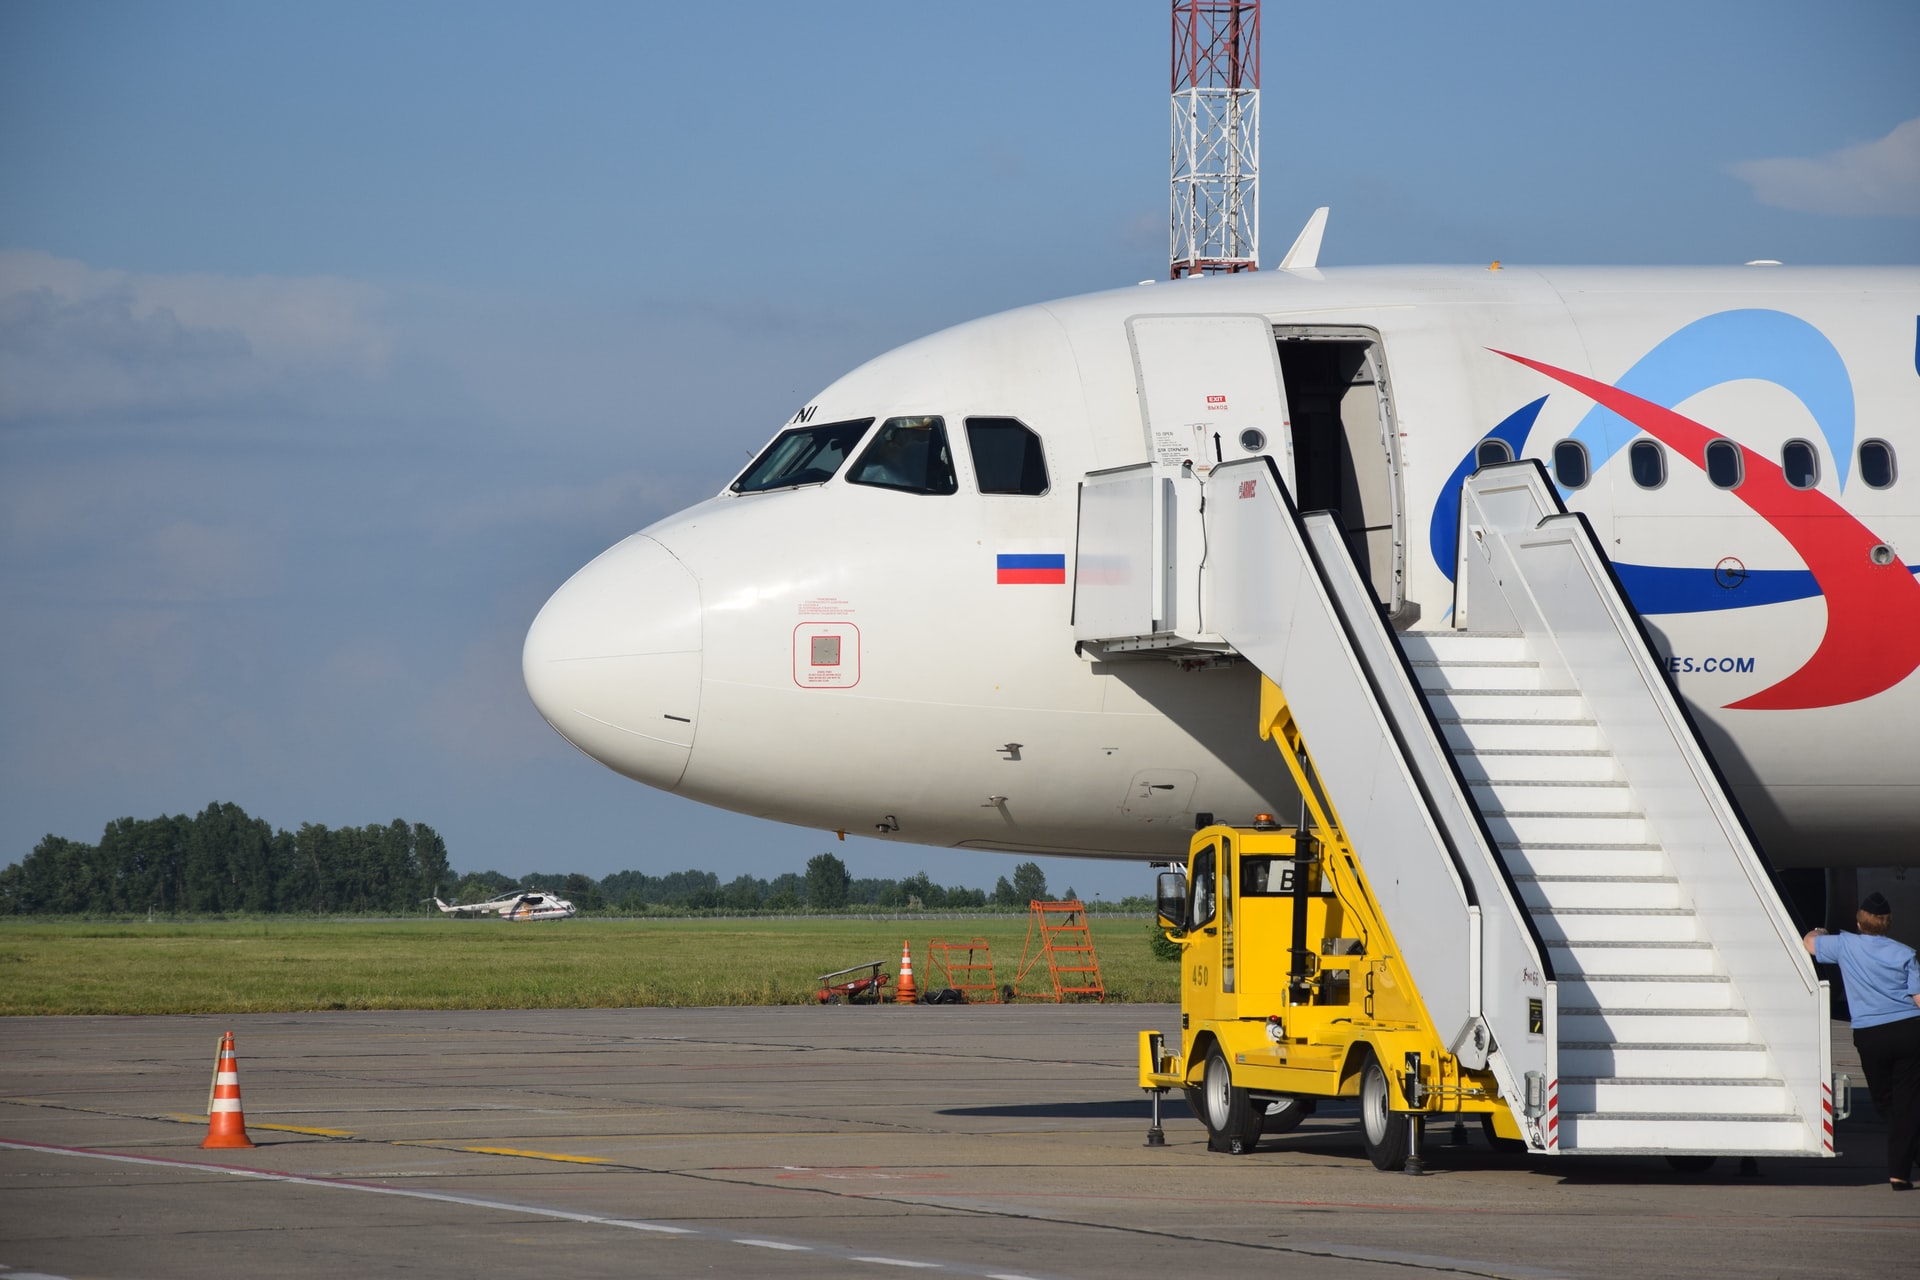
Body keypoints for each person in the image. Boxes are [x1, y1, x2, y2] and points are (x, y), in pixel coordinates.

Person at [1804, 892, 1920, 1190]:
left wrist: (1821, 931)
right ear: (1888, 924)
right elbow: (1918, 998)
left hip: (1870, 1033)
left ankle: (1900, 1168)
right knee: (1906, 1102)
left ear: (1859, 922)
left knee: (1884, 1100)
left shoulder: (1844, 945)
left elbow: (1809, 944)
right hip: (1908, 1029)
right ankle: (1902, 1164)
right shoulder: (1905, 952)